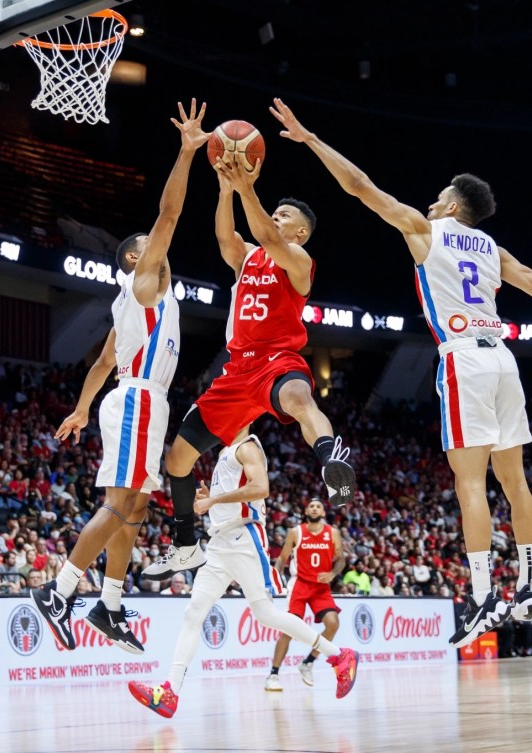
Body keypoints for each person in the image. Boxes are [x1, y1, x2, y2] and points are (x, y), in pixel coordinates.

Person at [268, 98, 532, 646]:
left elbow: (358, 186)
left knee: (470, 481)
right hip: (503, 358)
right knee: (514, 480)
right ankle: (527, 586)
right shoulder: (492, 249)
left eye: (439, 194)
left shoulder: (426, 230)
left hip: (464, 356)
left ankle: (482, 596)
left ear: (450, 206)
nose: (431, 198)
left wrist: (310, 140)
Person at [142, 131, 359, 583]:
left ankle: (330, 458)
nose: (274, 220)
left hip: (278, 359)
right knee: (178, 461)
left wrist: (245, 187)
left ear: (299, 232)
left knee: (300, 397)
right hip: (238, 370)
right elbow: (227, 238)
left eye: (284, 216)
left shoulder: (298, 260)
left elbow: (263, 231)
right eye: (274, 214)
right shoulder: (250, 259)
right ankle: (185, 543)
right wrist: (225, 189)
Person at [31, 100, 209, 653]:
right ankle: (58, 592)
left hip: (136, 398)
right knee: (118, 502)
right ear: (135, 262)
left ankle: (109, 606)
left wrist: (83, 407)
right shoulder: (142, 287)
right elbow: (169, 216)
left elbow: (104, 361)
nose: (155, 252)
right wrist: (185, 154)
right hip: (136, 401)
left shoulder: (136, 307)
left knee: (135, 506)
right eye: (145, 250)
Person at [127, 430, 358, 718]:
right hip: (220, 542)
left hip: (245, 537)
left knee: (265, 614)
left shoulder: (247, 447)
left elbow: (261, 488)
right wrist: (214, 499)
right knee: (193, 611)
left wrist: (213, 501)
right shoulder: (226, 451)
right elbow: (233, 496)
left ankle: (338, 656)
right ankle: (170, 691)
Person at [266, 497, 345, 691]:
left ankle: (308, 662)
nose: (315, 508)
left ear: (323, 512)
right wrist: (275, 581)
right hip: (300, 584)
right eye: (311, 506)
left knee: (333, 623)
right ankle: (273, 675)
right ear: (306, 511)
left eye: (319, 506)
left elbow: (341, 559)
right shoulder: (296, 532)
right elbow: (282, 558)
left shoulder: (333, 533)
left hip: (320, 587)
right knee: (288, 629)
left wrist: (333, 573)